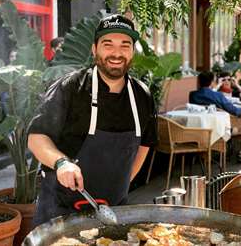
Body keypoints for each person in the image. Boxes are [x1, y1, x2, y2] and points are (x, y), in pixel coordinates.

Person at [27, 14, 157, 226]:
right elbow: (36, 137)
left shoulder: (142, 95)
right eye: (108, 44)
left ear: (132, 51)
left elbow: (145, 144)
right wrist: (61, 163)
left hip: (113, 211)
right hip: (60, 210)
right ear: (94, 49)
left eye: (125, 45)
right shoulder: (71, 87)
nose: (116, 53)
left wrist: (121, 184)